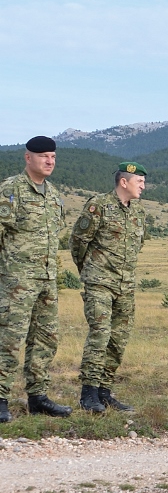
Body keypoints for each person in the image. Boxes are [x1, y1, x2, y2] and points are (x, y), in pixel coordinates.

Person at [0, 136, 71, 422]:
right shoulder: (11, 189)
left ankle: (38, 397)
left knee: (45, 338)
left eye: (53, 156)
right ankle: (0, 398)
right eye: (43, 156)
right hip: (16, 280)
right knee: (9, 338)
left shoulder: (53, 195)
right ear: (28, 158)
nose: (49, 161)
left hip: (46, 279)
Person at [70, 161, 148, 414]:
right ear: (123, 182)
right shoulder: (99, 206)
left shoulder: (138, 212)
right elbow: (78, 242)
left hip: (125, 285)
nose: (143, 187)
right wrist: (90, 272)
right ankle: (88, 393)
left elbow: (137, 246)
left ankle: (104, 391)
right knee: (100, 334)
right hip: (99, 282)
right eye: (140, 182)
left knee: (118, 339)